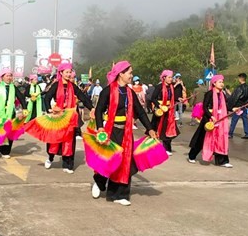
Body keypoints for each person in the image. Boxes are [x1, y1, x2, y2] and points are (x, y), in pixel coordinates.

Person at [92, 61, 157, 206]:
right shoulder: (108, 91)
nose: (132, 76)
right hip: (111, 131)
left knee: (125, 162)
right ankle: (99, 182)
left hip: (126, 132)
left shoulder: (130, 92)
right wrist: (100, 127)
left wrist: (150, 128)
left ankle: (120, 195)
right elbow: (98, 110)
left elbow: (140, 111)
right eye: (130, 73)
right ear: (121, 74)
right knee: (110, 161)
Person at [43, 63, 94, 173]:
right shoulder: (56, 85)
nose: (68, 74)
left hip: (70, 117)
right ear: (61, 73)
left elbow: (83, 98)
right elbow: (46, 98)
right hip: (58, 116)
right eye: (66, 72)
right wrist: (50, 109)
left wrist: (92, 108)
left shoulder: (73, 86)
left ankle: (68, 165)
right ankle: (50, 158)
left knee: (69, 140)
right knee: (55, 139)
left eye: (70, 72)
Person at [188, 74, 233, 168]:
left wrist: (234, 109)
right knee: (201, 138)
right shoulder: (209, 93)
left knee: (221, 139)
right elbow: (205, 107)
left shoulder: (222, 94)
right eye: (220, 82)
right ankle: (192, 155)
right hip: (208, 119)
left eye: (222, 82)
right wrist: (211, 116)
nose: (222, 84)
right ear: (214, 83)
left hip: (219, 120)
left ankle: (223, 161)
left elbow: (226, 106)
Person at [0, 69, 27, 158]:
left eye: (10, 75)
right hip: (0, 114)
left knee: (10, 133)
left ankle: (6, 152)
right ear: (2, 77)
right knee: (0, 132)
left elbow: (21, 97)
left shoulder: (13, 87)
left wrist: (24, 108)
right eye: (7, 76)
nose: (9, 78)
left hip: (11, 113)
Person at [151, 70, 181, 155]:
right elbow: (153, 98)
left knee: (169, 129)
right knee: (156, 128)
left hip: (169, 111)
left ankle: (167, 147)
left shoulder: (171, 87)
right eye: (169, 77)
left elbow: (172, 97)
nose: (171, 79)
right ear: (164, 78)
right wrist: (159, 106)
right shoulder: (159, 87)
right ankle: (153, 147)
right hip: (160, 111)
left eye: (171, 77)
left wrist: (178, 99)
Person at [228, 73, 248, 139]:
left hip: (238, 107)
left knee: (234, 120)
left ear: (240, 79)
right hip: (245, 106)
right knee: (245, 120)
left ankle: (230, 133)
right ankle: (247, 133)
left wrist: (230, 107)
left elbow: (235, 98)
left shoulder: (239, 88)